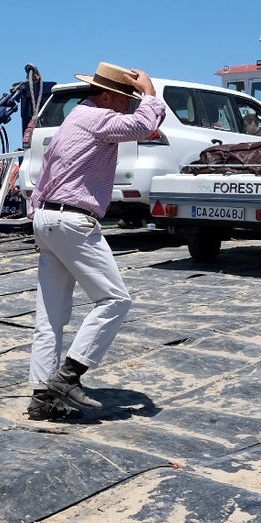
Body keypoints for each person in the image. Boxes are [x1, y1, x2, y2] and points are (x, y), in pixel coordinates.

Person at [26, 62, 166, 421]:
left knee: (50, 317)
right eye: (125, 99)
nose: (129, 106)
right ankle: (69, 376)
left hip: (48, 216)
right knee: (115, 300)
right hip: (73, 220)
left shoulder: (72, 121)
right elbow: (145, 124)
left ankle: (41, 398)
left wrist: (39, 222)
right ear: (106, 96)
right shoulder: (98, 118)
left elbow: (46, 172)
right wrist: (150, 92)